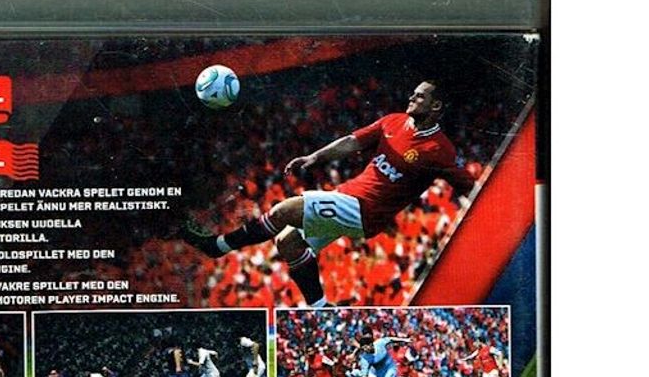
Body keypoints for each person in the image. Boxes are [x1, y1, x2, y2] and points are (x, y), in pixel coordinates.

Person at [182, 81, 475, 305]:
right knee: (288, 242)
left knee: (284, 210)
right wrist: (315, 157)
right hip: (347, 196)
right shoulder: (393, 121)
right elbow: (352, 141)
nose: (412, 97)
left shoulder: (441, 150)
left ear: (435, 106)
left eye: (420, 96)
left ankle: (217, 246)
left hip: (365, 211)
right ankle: (320, 307)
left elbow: (470, 187)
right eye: (413, 93)